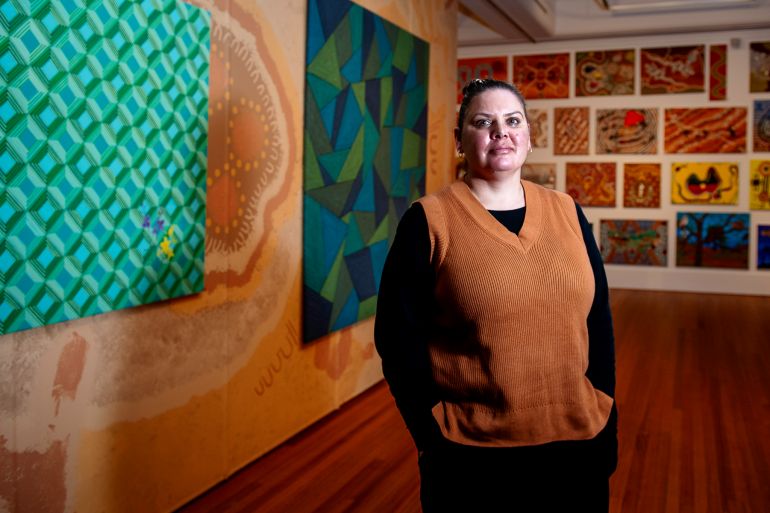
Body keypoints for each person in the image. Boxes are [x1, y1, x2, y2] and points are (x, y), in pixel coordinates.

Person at [374, 79, 618, 512]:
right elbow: (397, 339)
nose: (500, 132)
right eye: (483, 122)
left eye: (512, 120)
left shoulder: (567, 211)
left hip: (578, 443)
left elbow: (597, 321)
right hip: (473, 455)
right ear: (461, 141)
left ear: (528, 137)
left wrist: (606, 411)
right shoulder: (428, 221)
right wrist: (429, 433)